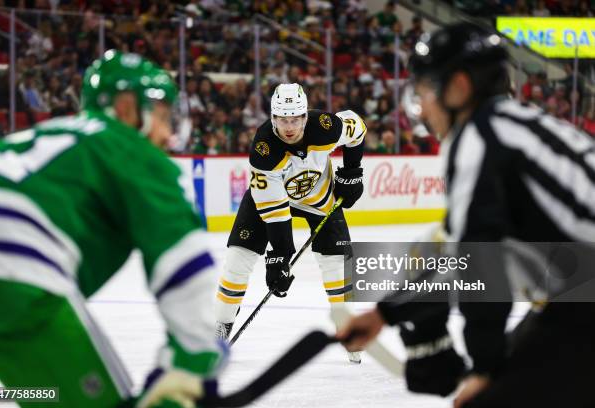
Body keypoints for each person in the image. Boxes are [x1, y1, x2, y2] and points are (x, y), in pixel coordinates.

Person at [337, 22, 595, 407]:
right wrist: (385, 312)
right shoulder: (516, 124)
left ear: (458, 87)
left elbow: (480, 261)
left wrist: (484, 370)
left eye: (424, 90)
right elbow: (455, 249)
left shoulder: (479, 139)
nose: (420, 106)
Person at [0, 50, 227, 408]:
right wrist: (195, 360)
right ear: (128, 109)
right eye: (161, 116)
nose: (166, 131)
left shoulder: (51, 132)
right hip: (11, 264)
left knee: (41, 395)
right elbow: (183, 259)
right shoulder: (127, 147)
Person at [214, 83, 366, 363]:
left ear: (305, 117)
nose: (289, 126)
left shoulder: (325, 126)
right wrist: (280, 255)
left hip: (319, 199)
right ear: (273, 118)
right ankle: (220, 328)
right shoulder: (264, 150)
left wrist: (353, 172)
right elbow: (276, 212)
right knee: (238, 259)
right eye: (283, 119)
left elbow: (357, 128)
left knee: (337, 264)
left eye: (295, 118)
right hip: (270, 201)